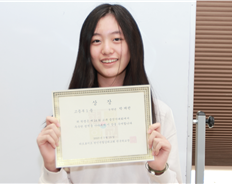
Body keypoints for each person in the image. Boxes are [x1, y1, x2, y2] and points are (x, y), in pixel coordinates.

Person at [36, 4, 182, 183]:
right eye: (96, 41)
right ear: (86, 50)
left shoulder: (160, 114)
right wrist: (52, 167)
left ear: (133, 45)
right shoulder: (67, 116)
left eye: (117, 39)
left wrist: (159, 170)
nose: (106, 49)